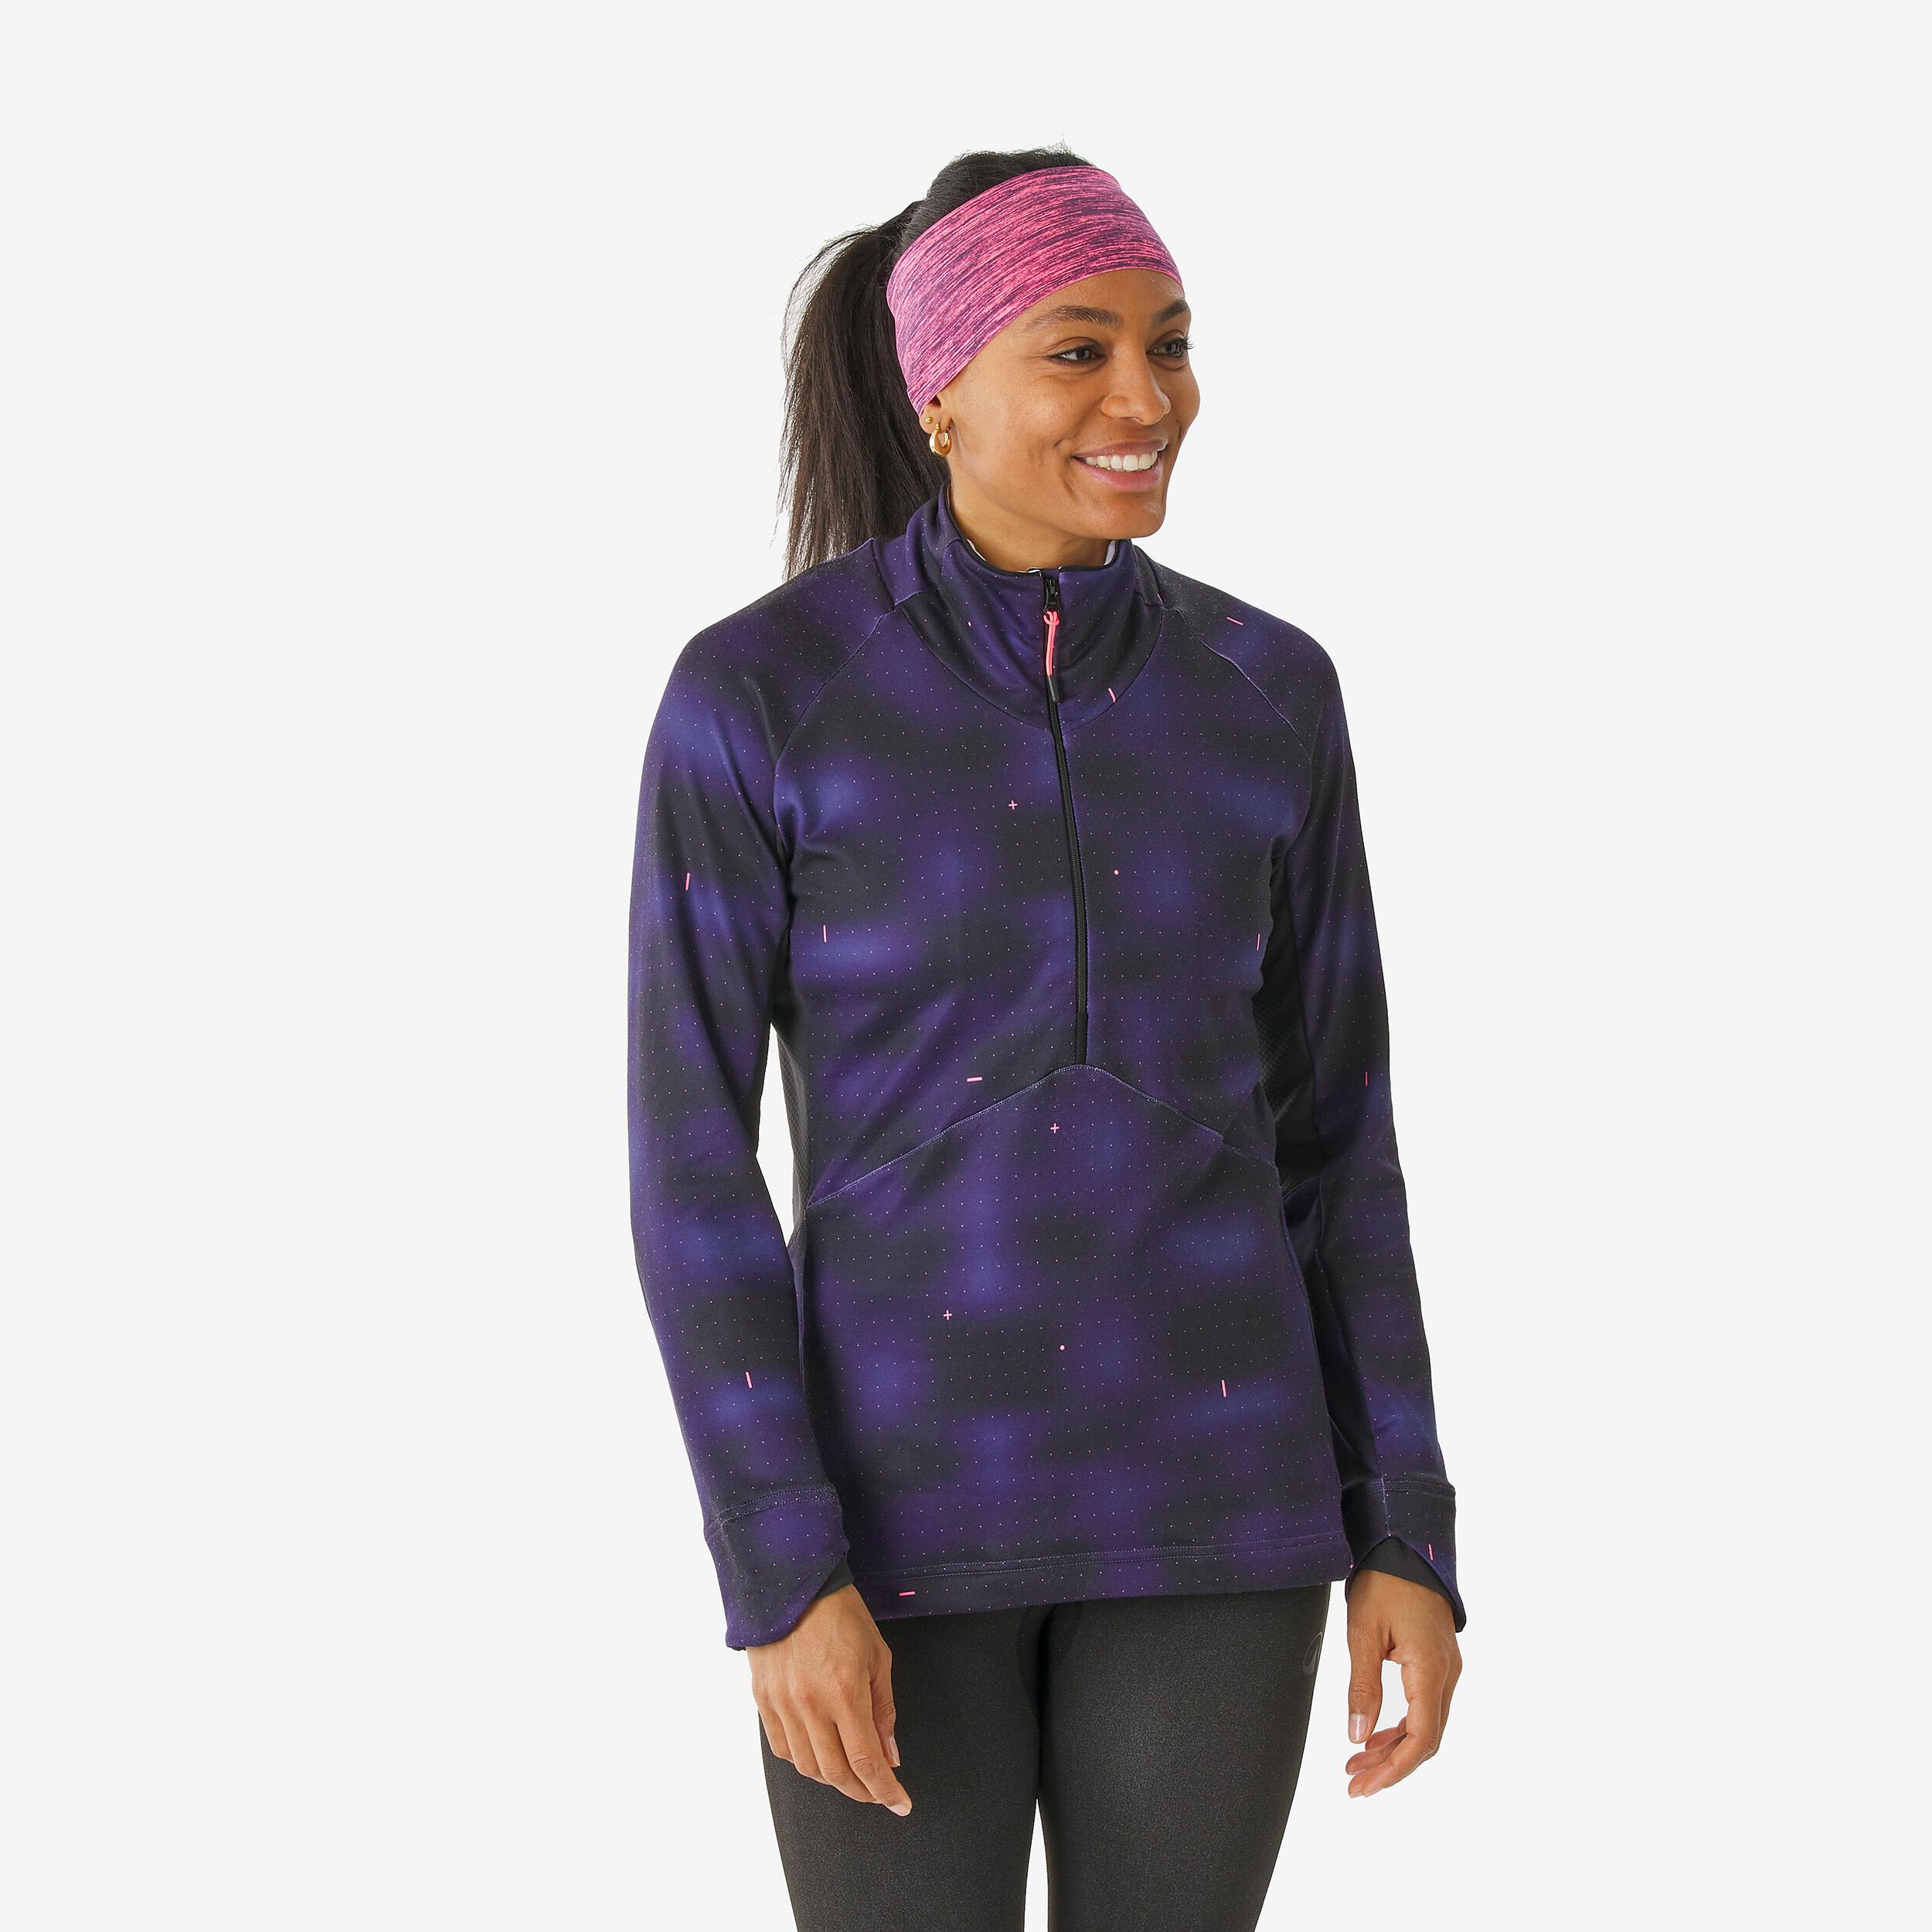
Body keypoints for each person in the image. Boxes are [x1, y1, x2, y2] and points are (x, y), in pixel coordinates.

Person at [627, 146, 1465, 1931]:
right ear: (939, 388)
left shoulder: (1267, 691)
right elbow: (690, 1167)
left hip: (1222, 1512)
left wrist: (1403, 1524)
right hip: (887, 1530)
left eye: (1169, 343)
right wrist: (777, 1564)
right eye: (1077, 350)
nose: (1144, 399)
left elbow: (1338, 1139)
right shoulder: (760, 696)